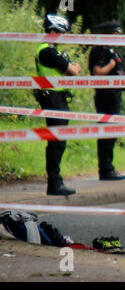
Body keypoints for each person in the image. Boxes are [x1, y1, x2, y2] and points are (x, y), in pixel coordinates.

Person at [34, 14, 82, 196]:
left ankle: (56, 182)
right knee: (56, 142)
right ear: (53, 32)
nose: (64, 37)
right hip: (52, 98)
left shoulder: (54, 50)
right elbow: (73, 70)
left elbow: (76, 69)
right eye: (62, 33)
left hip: (59, 98)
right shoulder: (47, 51)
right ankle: (54, 183)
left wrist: (72, 66)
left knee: (60, 141)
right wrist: (72, 66)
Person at [89, 21, 125, 181]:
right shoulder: (99, 51)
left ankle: (109, 167)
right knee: (106, 132)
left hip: (114, 95)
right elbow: (97, 73)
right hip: (105, 96)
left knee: (112, 133)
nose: (118, 36)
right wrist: (112, 64)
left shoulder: (111, 50)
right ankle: (105, 169)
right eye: (115, 33)